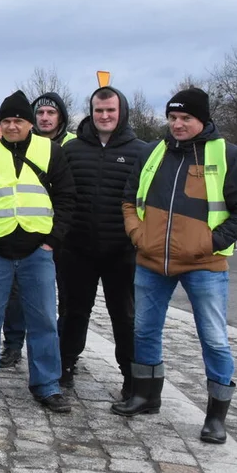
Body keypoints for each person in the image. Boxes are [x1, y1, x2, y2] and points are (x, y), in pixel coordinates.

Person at [114, 87, 237, 445]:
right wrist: (138, 235)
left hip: (205, 265)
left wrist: (210, 243)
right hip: (151, 260)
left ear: (202, 120)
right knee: (144, 330)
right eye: (172, 118)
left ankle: (216, 417)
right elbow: (130, 199)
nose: (177, 124)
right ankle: (146, 396)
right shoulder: (153, 152)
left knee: (214, 339)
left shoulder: (228, 155)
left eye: (185, 118)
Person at [0, 90, 75, 412]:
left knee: (44, 321)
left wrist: (53, 240)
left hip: (37, 252)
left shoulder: (51, 152)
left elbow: (66, 199)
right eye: (6, 120)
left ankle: (47, 385)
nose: (11, 126)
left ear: (29, 123)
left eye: (18, 120)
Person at [58, 87, 148, 397]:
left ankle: (130, 377)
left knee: (124, 317)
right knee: (72, 312)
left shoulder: (142, 152)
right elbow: (61, 197)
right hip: (76, 249)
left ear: (122, 111)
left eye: (111, 110)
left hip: (122, 253)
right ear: (91, 112)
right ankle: (65, 366)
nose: (105, 116)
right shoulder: (72, 150)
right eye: (99, 111)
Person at [0, 91, 74, 369]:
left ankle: (62, 355)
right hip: (25, 234)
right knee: (15, 296)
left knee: (61, 299)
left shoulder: (72, 146)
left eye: (50, 113)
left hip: (61, 235)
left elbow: (70, 194)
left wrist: (59, 233)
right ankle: (13, 345)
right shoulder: (17, 145)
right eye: (40, 113)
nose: (44, 118)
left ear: (61, 117)